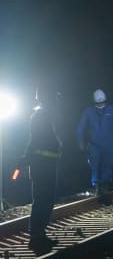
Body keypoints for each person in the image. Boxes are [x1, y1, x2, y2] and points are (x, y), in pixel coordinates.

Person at [20, 88, 62, 252]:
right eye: (55, 98)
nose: (57, 101)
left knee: (45, 200)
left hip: (45, 164)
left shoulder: (42, 115)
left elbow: (34, 141)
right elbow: (39, 141)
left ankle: (39, 235)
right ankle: (36, 238)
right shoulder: (42, 116)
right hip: (42, 165)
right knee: (43, 200)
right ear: (49, 98)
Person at [76, 89, 113, 195]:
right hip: (94, 145)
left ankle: (105, 186)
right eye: (99, 103)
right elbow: (80, 128)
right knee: (94, 166)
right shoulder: (88, 112)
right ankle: (97, 186)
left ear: (105, 101)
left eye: (102, 102)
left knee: (107, 165)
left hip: (108, 145)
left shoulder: (112, 111)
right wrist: (80, 141)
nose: (101, 104)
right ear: (95, 102)